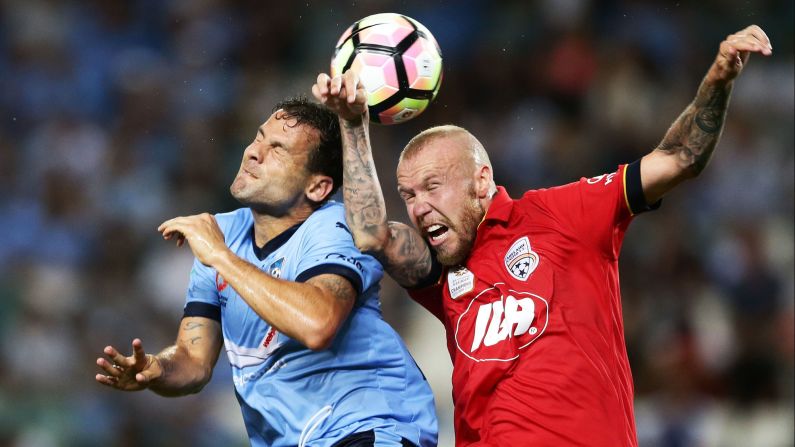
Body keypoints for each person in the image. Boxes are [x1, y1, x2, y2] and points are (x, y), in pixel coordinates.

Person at [312, 25, 772, 446]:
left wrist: (718, 78)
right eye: (407, 194)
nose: (417, 207)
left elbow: (678, 158)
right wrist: (353, 126)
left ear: (481, 179)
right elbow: (372, 235)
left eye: (432, 186)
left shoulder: (564, 214)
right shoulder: (444, 276)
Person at [94, 98, 438, 447]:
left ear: (317, 187)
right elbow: (194, 362)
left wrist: (222, 257)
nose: (253, 153)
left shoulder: (335, 227)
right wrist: (157, 369)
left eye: (278, 150)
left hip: (368, 427)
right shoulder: (222, 235)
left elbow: (318, 324)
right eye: (259, 137)